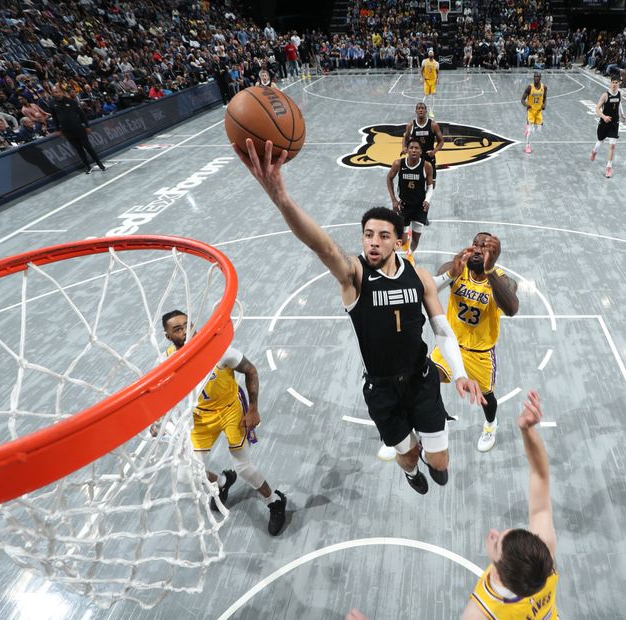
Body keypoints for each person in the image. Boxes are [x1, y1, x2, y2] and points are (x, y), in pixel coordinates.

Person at [235, 138, 485, 495]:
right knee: (409, 456)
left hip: (421, 379)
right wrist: (281, 199)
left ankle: (429, 462)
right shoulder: (354, 275)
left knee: (440, 465)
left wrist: (459, 374)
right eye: (368, 234)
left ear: (399, 242)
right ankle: (410, 471)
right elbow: (321, 245)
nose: (373, 242)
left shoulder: (420, 277)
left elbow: (442, 329)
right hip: (382, 389)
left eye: (383, 236)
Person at [342, 391, 561, 620]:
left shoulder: (481, 618)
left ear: (500, 571)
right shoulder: (543, 559)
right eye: (503, 533)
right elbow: (540, 477)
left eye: (496, 543)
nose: (492, 533)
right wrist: (528, 431)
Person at [152, 310, 287, 535]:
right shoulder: (165, 361)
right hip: (200, 417)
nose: (185, 331)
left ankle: (274, 501)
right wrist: (157, 420)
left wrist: (253, 408)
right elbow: (158, 393)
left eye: (188, 325)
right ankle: (223, 481)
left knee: (243, 466)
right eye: (177, 329)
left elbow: (251, 370)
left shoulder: (218, 350)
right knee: (186, 474)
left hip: (230, 410)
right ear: (168, 336)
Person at [432, 234, 519, 452]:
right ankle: (433, 421)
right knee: (426, 378)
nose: (479, 250)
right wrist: (452, 269)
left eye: (486, 247)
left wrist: (490, 271)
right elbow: (430, 290)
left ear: (494, 255)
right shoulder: (456, 270)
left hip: (480, 353)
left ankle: (491, 424)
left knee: (486, 398)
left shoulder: (502, 280)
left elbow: (511, 309)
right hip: (450, 345)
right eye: (476, 245)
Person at [386, 137, 434, 263]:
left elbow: (430, 186)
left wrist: (428, 200)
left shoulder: (427, 166)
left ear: (420, 151)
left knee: (416, 238)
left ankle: (409, 254)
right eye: (411, 147)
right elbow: (389, 178)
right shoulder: (398, 164)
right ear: (406, 150)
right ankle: (400, 257)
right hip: (404, 206)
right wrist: (394, 200)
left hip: (420, 207)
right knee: (403, 237)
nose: (413, 150)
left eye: (416, 148)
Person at [49, 85, 106, 174]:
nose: (58, 93)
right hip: (67, 131)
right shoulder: (52, 103)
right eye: (55, 92)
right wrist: (57, 129)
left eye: (59, 91)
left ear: (62, 92)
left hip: (78, 128)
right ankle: (87, 166)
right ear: (52, 94)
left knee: (88, 147)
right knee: (79, 150)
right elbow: (54, 117)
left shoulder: (71, 101)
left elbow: (81, 114)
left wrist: (87, 126)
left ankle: (99, 163)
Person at [590, 76, 626, 178]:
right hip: (604, 123)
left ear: (619, 84)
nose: (614, 84)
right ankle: (594, 151)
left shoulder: (620, 94)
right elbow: (597, 109)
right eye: (613, 82)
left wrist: (622, 114)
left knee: (612, 145)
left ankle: (609, 167)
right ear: (610, 83)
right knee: (600, 141)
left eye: (616, 82)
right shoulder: (605, 95)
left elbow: (619, 104)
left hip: (614, 123)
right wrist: (604, 116)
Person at [402, 102, 444, 189]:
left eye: (422, 108)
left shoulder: (433, 125)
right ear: (416, 111)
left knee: (431, 185)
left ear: (426, 111)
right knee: (416, 185)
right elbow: (405, 138)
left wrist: (434, 151)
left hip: (429, 158)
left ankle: (427, 200)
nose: (420, 110)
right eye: (418, 108)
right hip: (416, 159)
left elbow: (441, 141)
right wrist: (404, 147)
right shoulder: (411, 125)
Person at [521, 71, 547, 154]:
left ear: (540, 78)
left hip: (539, 111)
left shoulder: (544, 87)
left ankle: (527, 126)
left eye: (538, 76)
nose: (536, 78)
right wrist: (526, 105)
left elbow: (545, 98)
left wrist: (544, 105)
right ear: (533, 78)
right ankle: (527, 146)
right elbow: (522, 100)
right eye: (535, 76)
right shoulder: (529, 87)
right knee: (531, 130)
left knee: (539, 129)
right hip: (531, 111)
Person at [421, 48, 440, 117]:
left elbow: (437, 72)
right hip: (426, 80)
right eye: (430, 53)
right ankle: (422, 110)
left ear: (433, 54)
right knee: (426, 96)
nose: (431, 53)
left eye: (432, 52)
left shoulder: (436, 63)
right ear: (428, 54)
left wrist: (438, 79)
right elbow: (421, 70)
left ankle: (431, 111)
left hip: (433, 81)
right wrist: (421, 77)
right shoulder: (424, 61)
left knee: (432, 97)